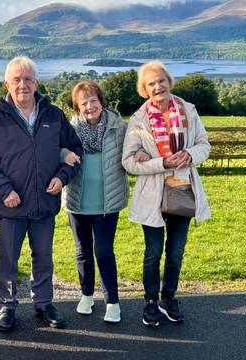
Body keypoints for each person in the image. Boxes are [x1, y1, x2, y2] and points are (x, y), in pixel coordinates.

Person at [0, 56, 82, 332]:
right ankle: (6, 306)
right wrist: (4, 189)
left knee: (44, 257)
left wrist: (62, 177)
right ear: (7, 84)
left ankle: (44, 302)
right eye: (17, 79)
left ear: (36, 83)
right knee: (9, 259)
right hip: (11, 204)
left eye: (28, 79)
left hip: (45, 203)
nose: (22, 84)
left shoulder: (54, 115)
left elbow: (75, 151)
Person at [122, 60, 210, 327]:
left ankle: (168, 297)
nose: (157, 86)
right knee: (152, 253)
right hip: (152, 197)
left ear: (169, 82)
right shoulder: (138, 119)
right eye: (151, 83)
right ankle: (150, 302)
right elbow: (128, 161)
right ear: (144, 89)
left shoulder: (188, 110)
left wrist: (190, 155)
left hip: (183, 192)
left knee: (175, 253)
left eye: (161, 81)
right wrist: (162, 163)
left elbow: (204, 145)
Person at [62, 80, 128, 323]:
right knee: (83, 252)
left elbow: (132, 150)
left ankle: (112, 302)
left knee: (103, 251)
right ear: (78, 108)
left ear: (101, 101)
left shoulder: (118, 127)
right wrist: (63, 154)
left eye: (93, 100)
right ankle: (87, 295)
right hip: (77, 202)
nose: (89, 106)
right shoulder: (70, 129)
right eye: (83, 103)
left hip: (106, 203)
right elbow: (57, 149)